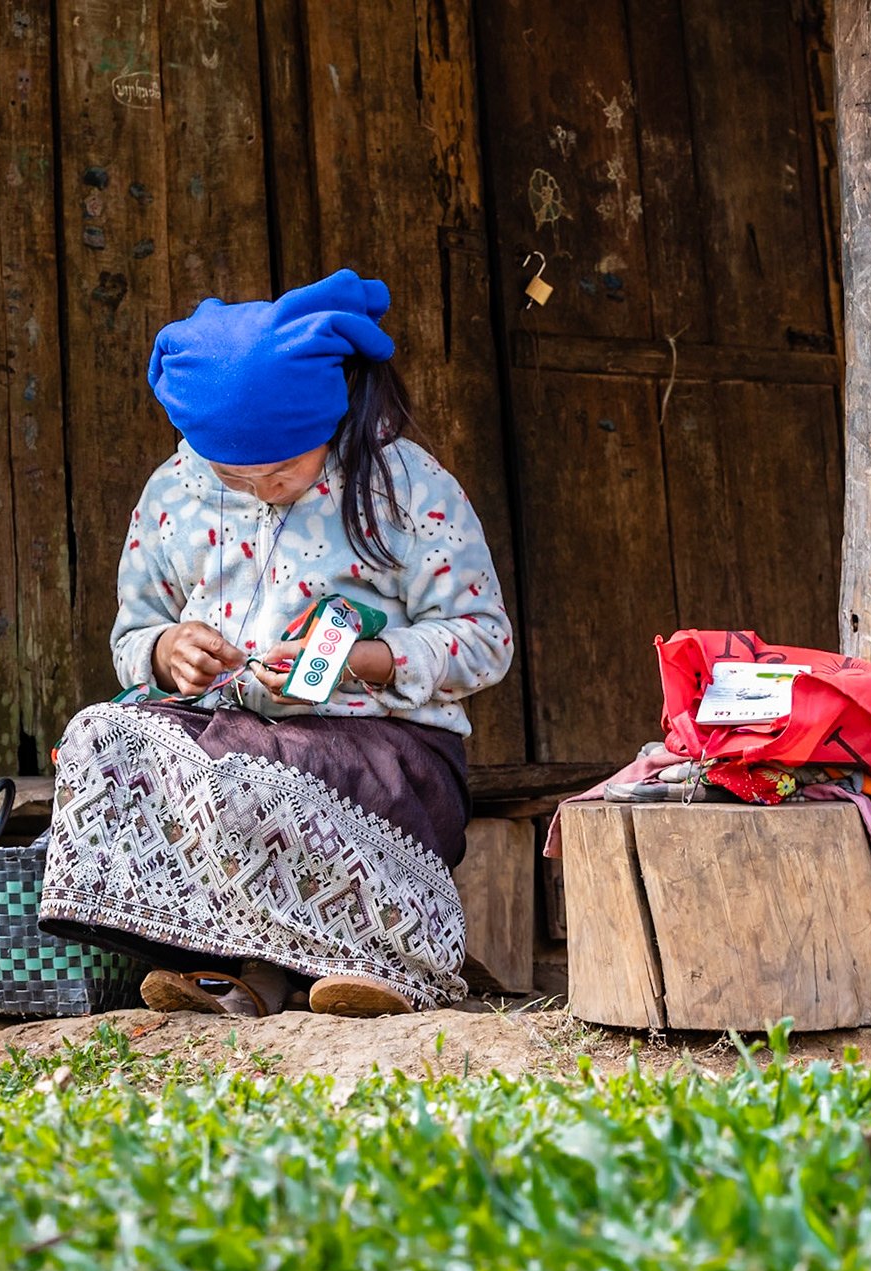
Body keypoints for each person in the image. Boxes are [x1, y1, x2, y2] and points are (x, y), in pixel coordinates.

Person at [38, 270, 514, 1018]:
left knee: (258, 772)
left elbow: (485, 641)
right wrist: (167, 653)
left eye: (283, 471)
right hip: (224, 733)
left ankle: (381, 963)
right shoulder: (175, 491)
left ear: (329, 424)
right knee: (102, 736)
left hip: (384, 751)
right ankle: (234, 964)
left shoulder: (407, 487)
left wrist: (365, 665)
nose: (259, 489)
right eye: (233, 475)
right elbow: (134, 634)